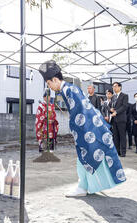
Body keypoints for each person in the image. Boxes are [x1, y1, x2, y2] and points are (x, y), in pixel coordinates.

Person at [39, 60, 126, 197]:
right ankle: (86, 185)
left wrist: (77, 130)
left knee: (84, 157)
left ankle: (83, 187)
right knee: (84, 158)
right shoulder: (69, 88)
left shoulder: (68, 90)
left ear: (55, 79)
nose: (50, 87)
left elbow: (81, 113)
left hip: (88, 129)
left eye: (49, 84)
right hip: (91, 127)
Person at [110, 82, 129, 157]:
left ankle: (123, 152)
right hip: (114, 119)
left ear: (120, 87)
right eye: (113, 87)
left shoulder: (124, 96)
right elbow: (112, 105)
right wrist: (111, 109)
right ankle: (117, 152)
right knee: (115, 136)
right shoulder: (113, 96)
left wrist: (116, 112)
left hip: (121, 119)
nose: (114, 88)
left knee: (122, 136)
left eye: (115, 86)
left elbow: (124, 106)